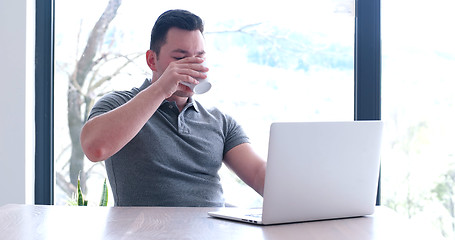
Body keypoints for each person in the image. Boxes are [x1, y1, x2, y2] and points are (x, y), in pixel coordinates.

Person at [80, 9, 266, 207]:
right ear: (152, 60)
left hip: (215, 231)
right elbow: (95, 148)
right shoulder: (119, 104)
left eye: (199, 57)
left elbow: (257, 175)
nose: (192, 66)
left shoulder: (220, 122)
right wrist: (162, 88)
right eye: (180, 58)